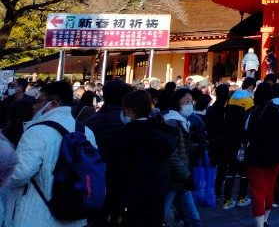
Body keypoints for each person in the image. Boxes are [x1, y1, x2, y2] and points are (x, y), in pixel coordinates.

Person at [4, 80, 98, 227]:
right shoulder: (85, 131)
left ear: (53, 104)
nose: (33, 106)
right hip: (76, 214)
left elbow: (19, 174)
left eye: (38, 100)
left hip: (36, 216)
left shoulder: (36, 131)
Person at [116, 89, 178, 227]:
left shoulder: (129, 135)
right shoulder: (161, 132)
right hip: (157, 195)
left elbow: (120, 171)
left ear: (130, 111)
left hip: (133, 199)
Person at [243, 82, 279, 227]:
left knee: (257, 191)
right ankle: (265, 220)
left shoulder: (252, 112)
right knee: (270, 188)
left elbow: (242, 132)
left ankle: (259, 223)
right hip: (275, 157)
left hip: (255, 157)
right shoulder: (278, 112)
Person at [84, 79, 133, 227]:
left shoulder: (91, 121)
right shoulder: (128, 122)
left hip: (96, 178)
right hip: (123, 179)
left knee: (98, 218)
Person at [161, 88, 202, 227]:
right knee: (162, 215)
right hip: (175, 179)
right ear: (178, 103)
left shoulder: (182, 122)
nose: (190, 104)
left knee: (193, 217)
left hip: (181, 179)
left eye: (191, 101)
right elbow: (172, 153)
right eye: (187, 101)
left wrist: (198, 147)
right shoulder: (172, 122)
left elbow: (184, 148)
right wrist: (186, 175)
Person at [222, 76, 256, 210]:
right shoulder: (248, 100)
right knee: (243, 169)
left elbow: (225, 116)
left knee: (231, 167)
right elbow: (250, 121)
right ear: (252, 87)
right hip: (243, 139)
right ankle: (242, 196)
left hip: (230, 137)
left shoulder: (231, 98)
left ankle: (227, 199)